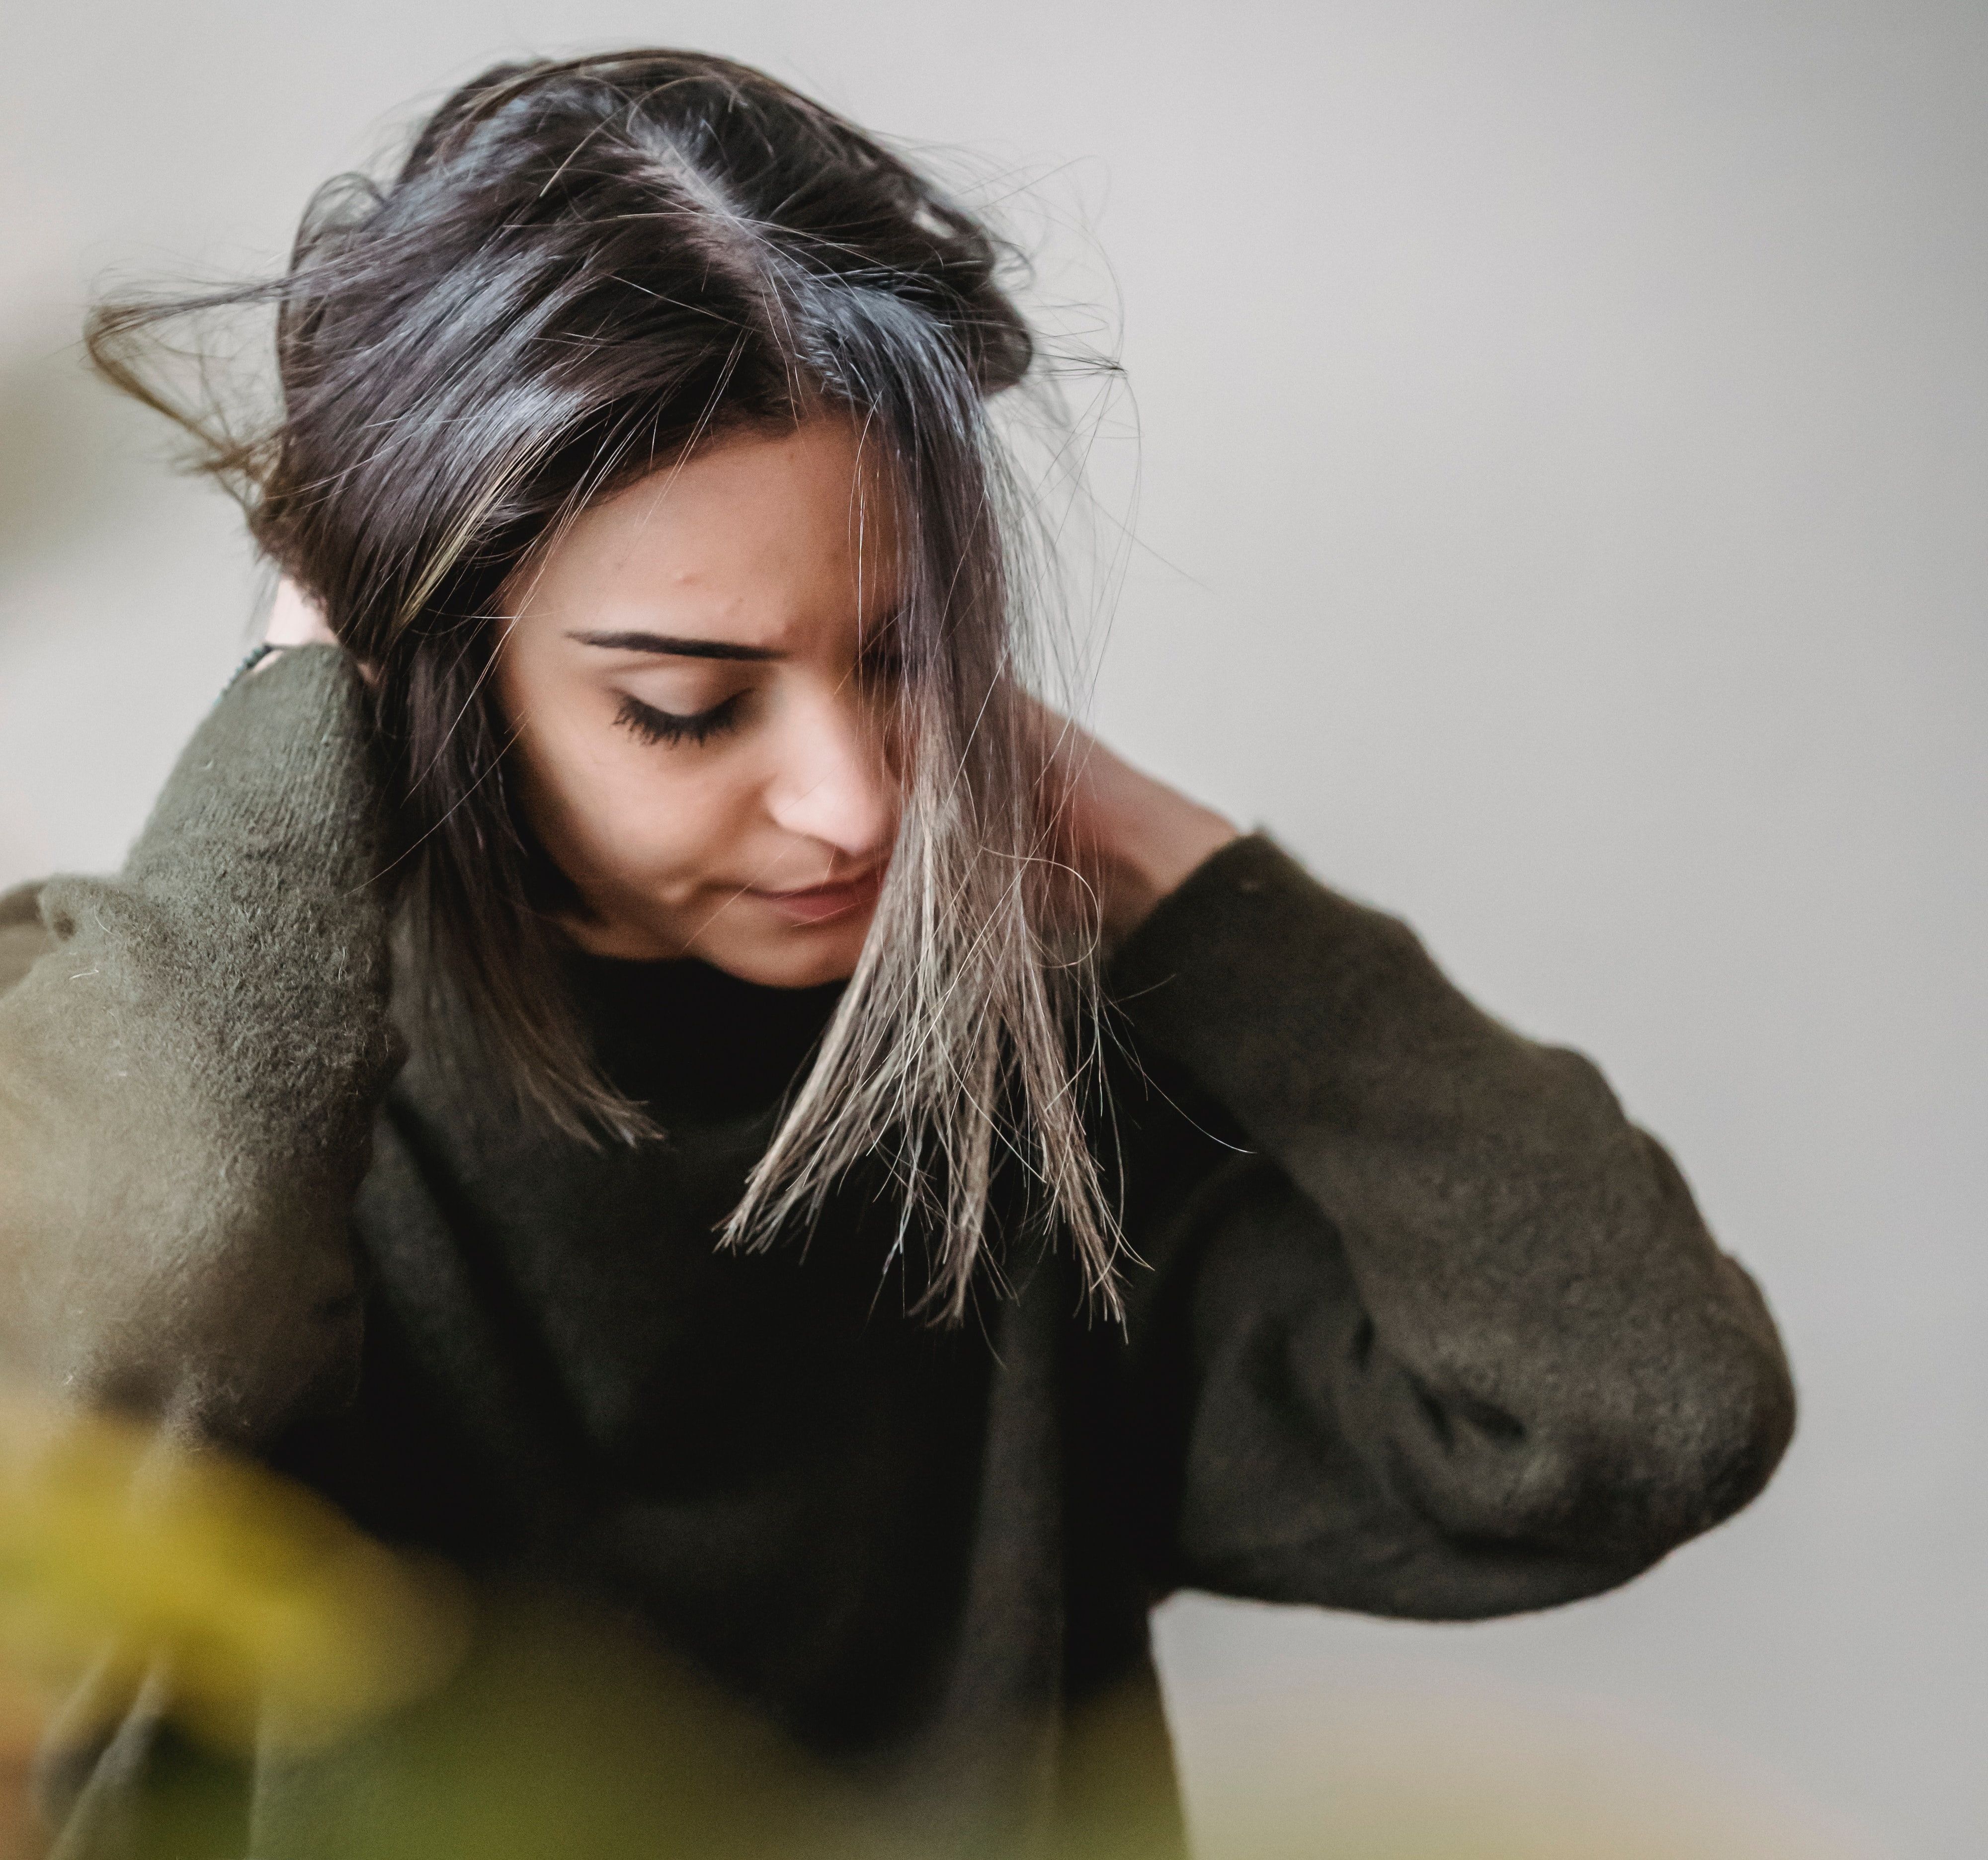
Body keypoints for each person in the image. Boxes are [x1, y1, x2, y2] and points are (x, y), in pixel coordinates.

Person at [0, 48, 1795, 1860]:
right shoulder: (135, 1066)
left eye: (908, 655)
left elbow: (1647, 1412)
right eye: (690, 708)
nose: (854, 805)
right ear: (433, 677)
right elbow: (105, 1346)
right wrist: (305, 684)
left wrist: (1175, 867)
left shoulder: (1045, 1102)